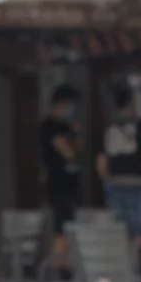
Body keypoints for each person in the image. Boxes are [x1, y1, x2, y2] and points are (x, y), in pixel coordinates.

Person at [98, 82, 141, 238]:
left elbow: (101, 161)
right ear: (130, 105)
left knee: (119, 235)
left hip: (115, 185)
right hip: (140, 184)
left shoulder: (108, 129)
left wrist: (107, 180)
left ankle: (124, 261)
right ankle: (138, 261)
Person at [37, 85, 83, 232]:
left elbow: (79, 152)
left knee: (73, 225)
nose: (73, 109)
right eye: (71, 104)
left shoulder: (67, 127)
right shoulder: (50, 126)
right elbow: (69, 153)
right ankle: (59, 254)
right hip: (58, 183)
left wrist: (77, 134)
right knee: (62, 228)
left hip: (72, 183)